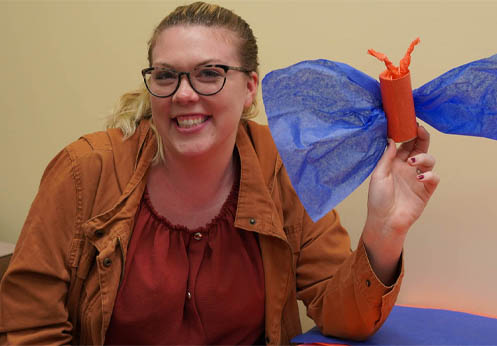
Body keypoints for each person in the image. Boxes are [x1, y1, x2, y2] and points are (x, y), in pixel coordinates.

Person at [0, 2, 439, 345]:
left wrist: (384, 232)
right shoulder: (84, 171)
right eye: (167, 75)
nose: (184, 94)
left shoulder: (282, 168)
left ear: (250, 88)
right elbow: (27, 325)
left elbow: (341, 315)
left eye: (210, 74)